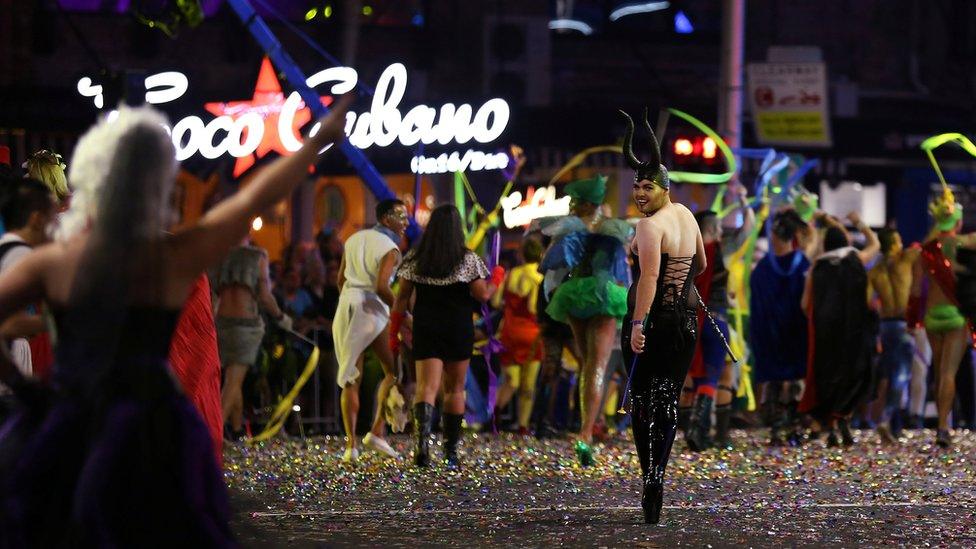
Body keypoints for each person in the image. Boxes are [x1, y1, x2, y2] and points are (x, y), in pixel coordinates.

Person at [0, 95, 352, 545]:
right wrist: (315, 143)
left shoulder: (55, 263)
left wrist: (24, 389)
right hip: (155, 430)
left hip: (75, 423)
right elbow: (252, 199)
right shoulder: (172, 258)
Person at [619, 109, 706, 524]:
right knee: (668, 396)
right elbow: (702, 264)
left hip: (653, 320)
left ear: (663, 188)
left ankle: (649, 475)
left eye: (647, 187)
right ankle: (658, 473)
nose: (639, 193)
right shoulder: (687, 216)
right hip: (686, 320)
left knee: (641, 398)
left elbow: (650, 277)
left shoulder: (649, 227)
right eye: (636, 186)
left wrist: (638, 325)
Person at [538, 174, 632, 465]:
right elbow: (622, 268)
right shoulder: (613, 229)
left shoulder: (568, 229)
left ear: (584, 203)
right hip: (604, 295)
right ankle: (586, 433)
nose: (571, 205)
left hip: (575, 294)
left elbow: (548, 264)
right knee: (597, 365)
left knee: (586, 362)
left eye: (574, 201)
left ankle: (586, 428)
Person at [392, 204, 494, 468]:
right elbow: (482, 295)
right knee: (455, 389)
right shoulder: (467, 259)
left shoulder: (416, 258)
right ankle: (450, 452)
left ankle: (422, 446)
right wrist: (497, 281)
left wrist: (396, 330)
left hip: (426, 327)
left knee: (426, 387)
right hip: (458, 327)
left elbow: (401, 299)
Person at [333, 198, 408, 462]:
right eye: (402, 216)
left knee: (351, 377)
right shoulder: (391, 248)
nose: (407, 222)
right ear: (387, 218)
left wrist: (350, 301)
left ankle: (351, 446)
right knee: (394, 371)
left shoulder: (353, 239)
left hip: (346, 306)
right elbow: (381, 288)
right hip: (372, 309)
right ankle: (377, 430)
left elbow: (340, 279)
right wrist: (403, 315)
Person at [800, 213, 880, 447]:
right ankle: (845, 417)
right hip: (854, 330)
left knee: (828, 376)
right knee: (853, 375)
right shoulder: (856, 258)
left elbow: (805, 305)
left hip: (826, 331)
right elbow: (875, 244)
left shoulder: (818, 266)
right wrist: (859, 223)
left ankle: (831, 426)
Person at [909, 190, 976, 448]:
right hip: (955, 315)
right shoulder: (965, 242)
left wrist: (912, 322)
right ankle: (943, 429)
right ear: (958, 222)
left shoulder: (924, 252)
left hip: (931, 316)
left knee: (939, 372)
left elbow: (915, 291)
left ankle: (942, 424)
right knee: (949, 373)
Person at [212, 238, 290, 440]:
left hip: (220, 322)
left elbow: (212, 292)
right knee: (233, 381)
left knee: (231, 378)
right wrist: (281, 318)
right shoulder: (258, 255)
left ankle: (237, 431)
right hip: (246, 325)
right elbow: (264, 296)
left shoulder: (219, 252)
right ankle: (213, 435)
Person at [749, 208, 815, 445]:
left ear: (775, 236)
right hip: (795, 332)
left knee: (775, 380)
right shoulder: (802, 264)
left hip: (771, 334)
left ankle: (777, 427)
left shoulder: (764, 268)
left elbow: (756, 303)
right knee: (794, 379)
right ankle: (791, 426)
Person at [0, 178, 56, 416]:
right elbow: (9, 324)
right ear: (36, 219)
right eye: (52, 218)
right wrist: (59, 320)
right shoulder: (20, 254)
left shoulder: (5, 248)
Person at [683, 209, 732, 451]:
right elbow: (746, 232)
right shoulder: (720, 250)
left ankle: (695, 431)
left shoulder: (687, 253)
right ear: (713, 227)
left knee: (699, 377)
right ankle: (697, 430)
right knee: (713, 378)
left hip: (692, 322)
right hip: (716, 320)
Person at [867, 228, 921, 442]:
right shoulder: (905, 260)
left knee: (890, 375)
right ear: (895, 242)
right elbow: (930, 242)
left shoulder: (875, 270)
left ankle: (895, 427)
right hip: (903, 325)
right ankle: (887, 417)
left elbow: (867, 302)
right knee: (902, 374)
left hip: (885, 326)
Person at [491, 237, 545, 434]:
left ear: (522, 254)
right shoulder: (539, 278)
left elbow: (496, 302)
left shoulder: (511, 274)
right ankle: (523, 426)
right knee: (528, 385)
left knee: (510, 381)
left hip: (510, 332)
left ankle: (495, 414)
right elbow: (533, 308)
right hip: (532, 334)